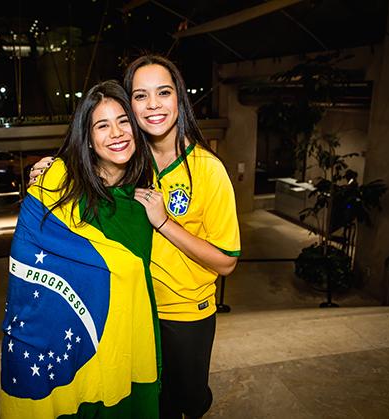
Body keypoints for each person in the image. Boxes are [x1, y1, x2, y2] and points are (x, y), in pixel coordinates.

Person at [30, 55, 241, 419]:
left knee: (187, 402)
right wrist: (55, 168)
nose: (154, 104)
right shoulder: (131, 161)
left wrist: (164, 223)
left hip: (184, 316)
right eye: (140, 96)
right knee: (147, 406)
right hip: (132, 312)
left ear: (180, 99)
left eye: (163, 92)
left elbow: (226, 262)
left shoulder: (208, 170)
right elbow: (89, 165)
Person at [0, 80, 161, 418]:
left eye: (123, 121)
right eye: (102, 125)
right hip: (76, 349)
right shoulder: (58, 188)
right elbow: (31, 272)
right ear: (87, 137)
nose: (116, 133)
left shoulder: (143, 200)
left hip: (128, 341)